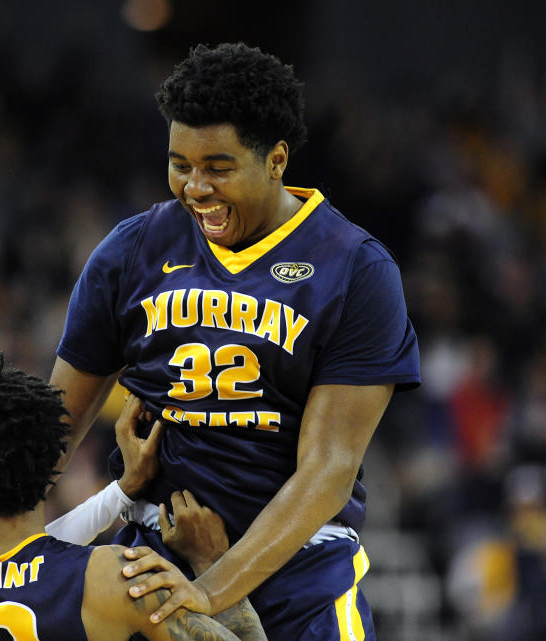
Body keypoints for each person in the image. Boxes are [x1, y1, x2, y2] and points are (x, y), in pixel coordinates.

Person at [50, 42, 421, 641]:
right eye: (179, 164)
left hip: (300, 572)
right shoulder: (130, 249)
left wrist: (212, 587)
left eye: (218, 167)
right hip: (150, 558)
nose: (195, 187)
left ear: (276, 160)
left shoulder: (356, 268)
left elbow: (328, 468)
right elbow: (54, 428)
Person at [0, 360, 267, 641]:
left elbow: (13, 567)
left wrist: (121, 490)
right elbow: (41, 569)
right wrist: (211, 561)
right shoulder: (114, 577)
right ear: (50, 473)